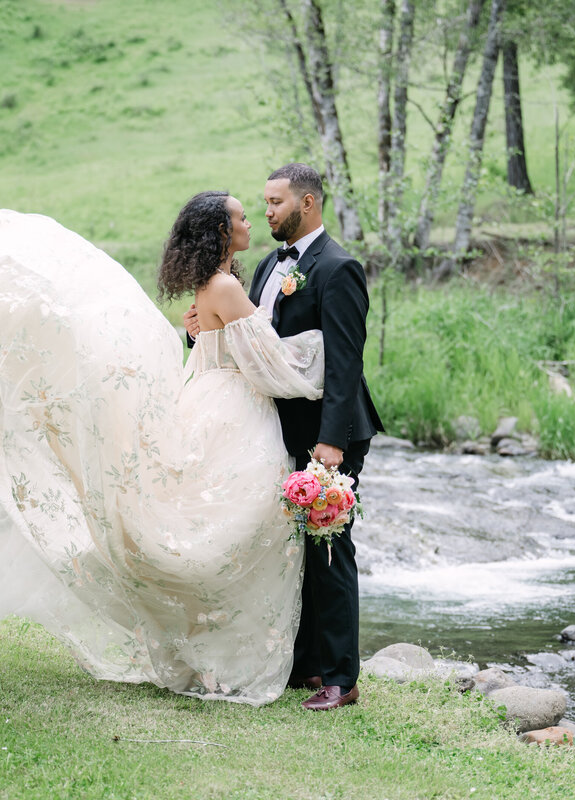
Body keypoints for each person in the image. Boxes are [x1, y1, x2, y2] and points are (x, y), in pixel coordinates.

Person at [0, 185, 327, 706]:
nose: (250, 223)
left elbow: (217, 345)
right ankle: (234, 656)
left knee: (232, 525)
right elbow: (270, 365)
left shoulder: (213, 285)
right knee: (241, 524)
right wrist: (322, 354)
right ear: (220, 231)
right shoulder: (227, 288)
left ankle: (210, 653)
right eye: (241, 217)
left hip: (210, 401)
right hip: (231, 412)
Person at [184, 164, 383, 711]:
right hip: (273, 430)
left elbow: (344, 362)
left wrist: (333, 441)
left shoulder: (339, 268)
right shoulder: (270, 265)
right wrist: (198, 331)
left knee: (329, 548)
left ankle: (341, 679)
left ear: (308, 204)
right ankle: (306, 663)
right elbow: (251, 345)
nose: (266, 212)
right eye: (263, 203)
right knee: (291, 549)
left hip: (326, 433)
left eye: (275, 203)